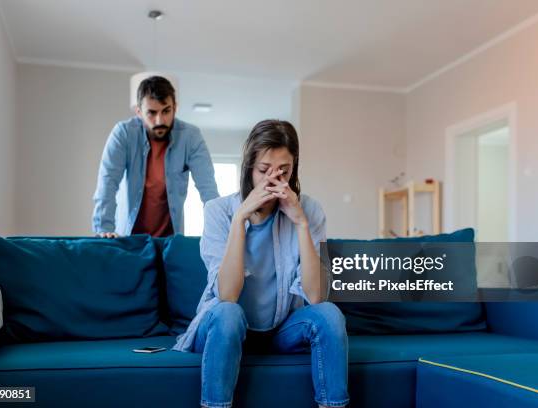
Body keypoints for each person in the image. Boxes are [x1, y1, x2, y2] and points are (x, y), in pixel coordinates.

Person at [173, 120, 349, 408]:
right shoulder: (218, 211)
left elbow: (316, 296)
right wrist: (240, 219)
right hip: (227, 328)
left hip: (280, 330)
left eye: (284, 171)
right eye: (264, 171)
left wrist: (301, 223)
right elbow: (227, 295)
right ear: (248, 168)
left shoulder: (310, 209)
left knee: (329, 314)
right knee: (228, 313)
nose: (274, 181)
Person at [92, 76, 219, 237]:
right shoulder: (123, 133)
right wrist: (104, 229)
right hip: (129, 238)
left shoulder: (190, 136)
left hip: (170, 240)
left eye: (166, 111)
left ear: (175, 108)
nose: (160, 120)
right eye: (152, 113)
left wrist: (220, 231)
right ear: (139, 112)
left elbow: (208, 189)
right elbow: (107, 183)